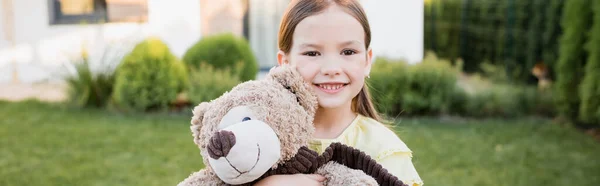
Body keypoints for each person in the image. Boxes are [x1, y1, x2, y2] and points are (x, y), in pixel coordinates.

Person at [255, 0, 423, 185]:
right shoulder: (258, 135)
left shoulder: (385, 151)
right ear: (285, 63)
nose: (332, 68)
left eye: (348, 51)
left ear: (367, 62)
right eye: (312, 53)